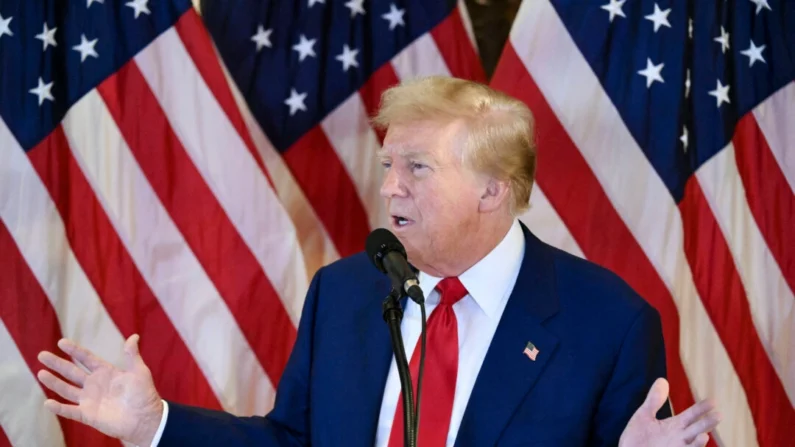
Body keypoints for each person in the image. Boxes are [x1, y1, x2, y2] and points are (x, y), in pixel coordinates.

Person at [37, 76, 721, 446]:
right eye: (388, 163)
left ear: (493, 189)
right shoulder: (347, 291)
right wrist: (154, 422)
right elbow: (292, 440)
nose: (389, 186)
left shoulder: (608, 321)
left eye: (416, 168)